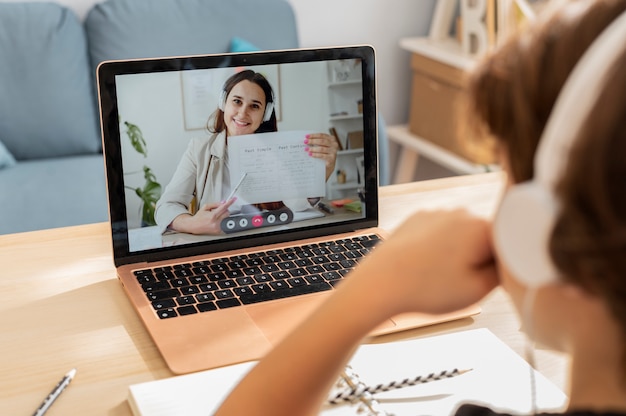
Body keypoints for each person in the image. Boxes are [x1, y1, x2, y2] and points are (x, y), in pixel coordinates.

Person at [215, 0, 626, 415]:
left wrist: (366, 291)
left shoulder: (288, 147)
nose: (243, 112)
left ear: (536, 228)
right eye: (236, 101)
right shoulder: (203, 153)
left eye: (504, 173)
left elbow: (306, 207)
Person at [154, 69, 339, 235]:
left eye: (255, 106)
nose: (242, 113)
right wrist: (192, 223)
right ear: (223, 103)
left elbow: (297, 206)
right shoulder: (198, 150)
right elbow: (166, 206)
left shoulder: (278, 150)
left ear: (265, 115)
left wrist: (318, 178)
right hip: (219, 244)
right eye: (237, 101)